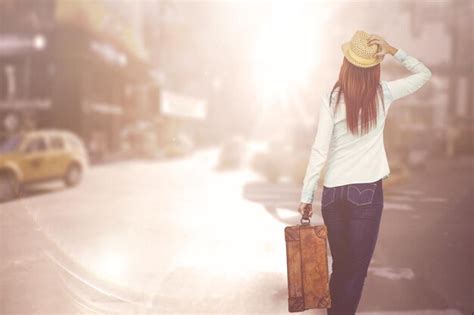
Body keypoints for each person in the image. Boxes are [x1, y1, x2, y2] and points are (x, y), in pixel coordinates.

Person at [297, 30, 432, 315]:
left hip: (333, 193)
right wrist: (393, 49)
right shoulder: (383, 93)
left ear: (345, 63)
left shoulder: (331, 98)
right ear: (375, 67)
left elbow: (319, 150)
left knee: (341, 268)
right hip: (366, 194)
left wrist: (307, 194)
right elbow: (423, 74)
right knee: (355, 273)